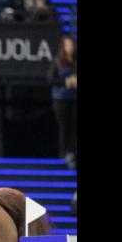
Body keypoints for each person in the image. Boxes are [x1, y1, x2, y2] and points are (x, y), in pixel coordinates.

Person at [48, 35, 77, 166]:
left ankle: (73, 152)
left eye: (72, 45)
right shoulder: (58, 62)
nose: (70, 48)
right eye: (67, 45)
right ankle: (65, 153)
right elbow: (51, 79)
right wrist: (66, 81)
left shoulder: (75, 62)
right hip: (61, 98)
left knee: (74, 126)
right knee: (65, 126)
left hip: (74, 97)